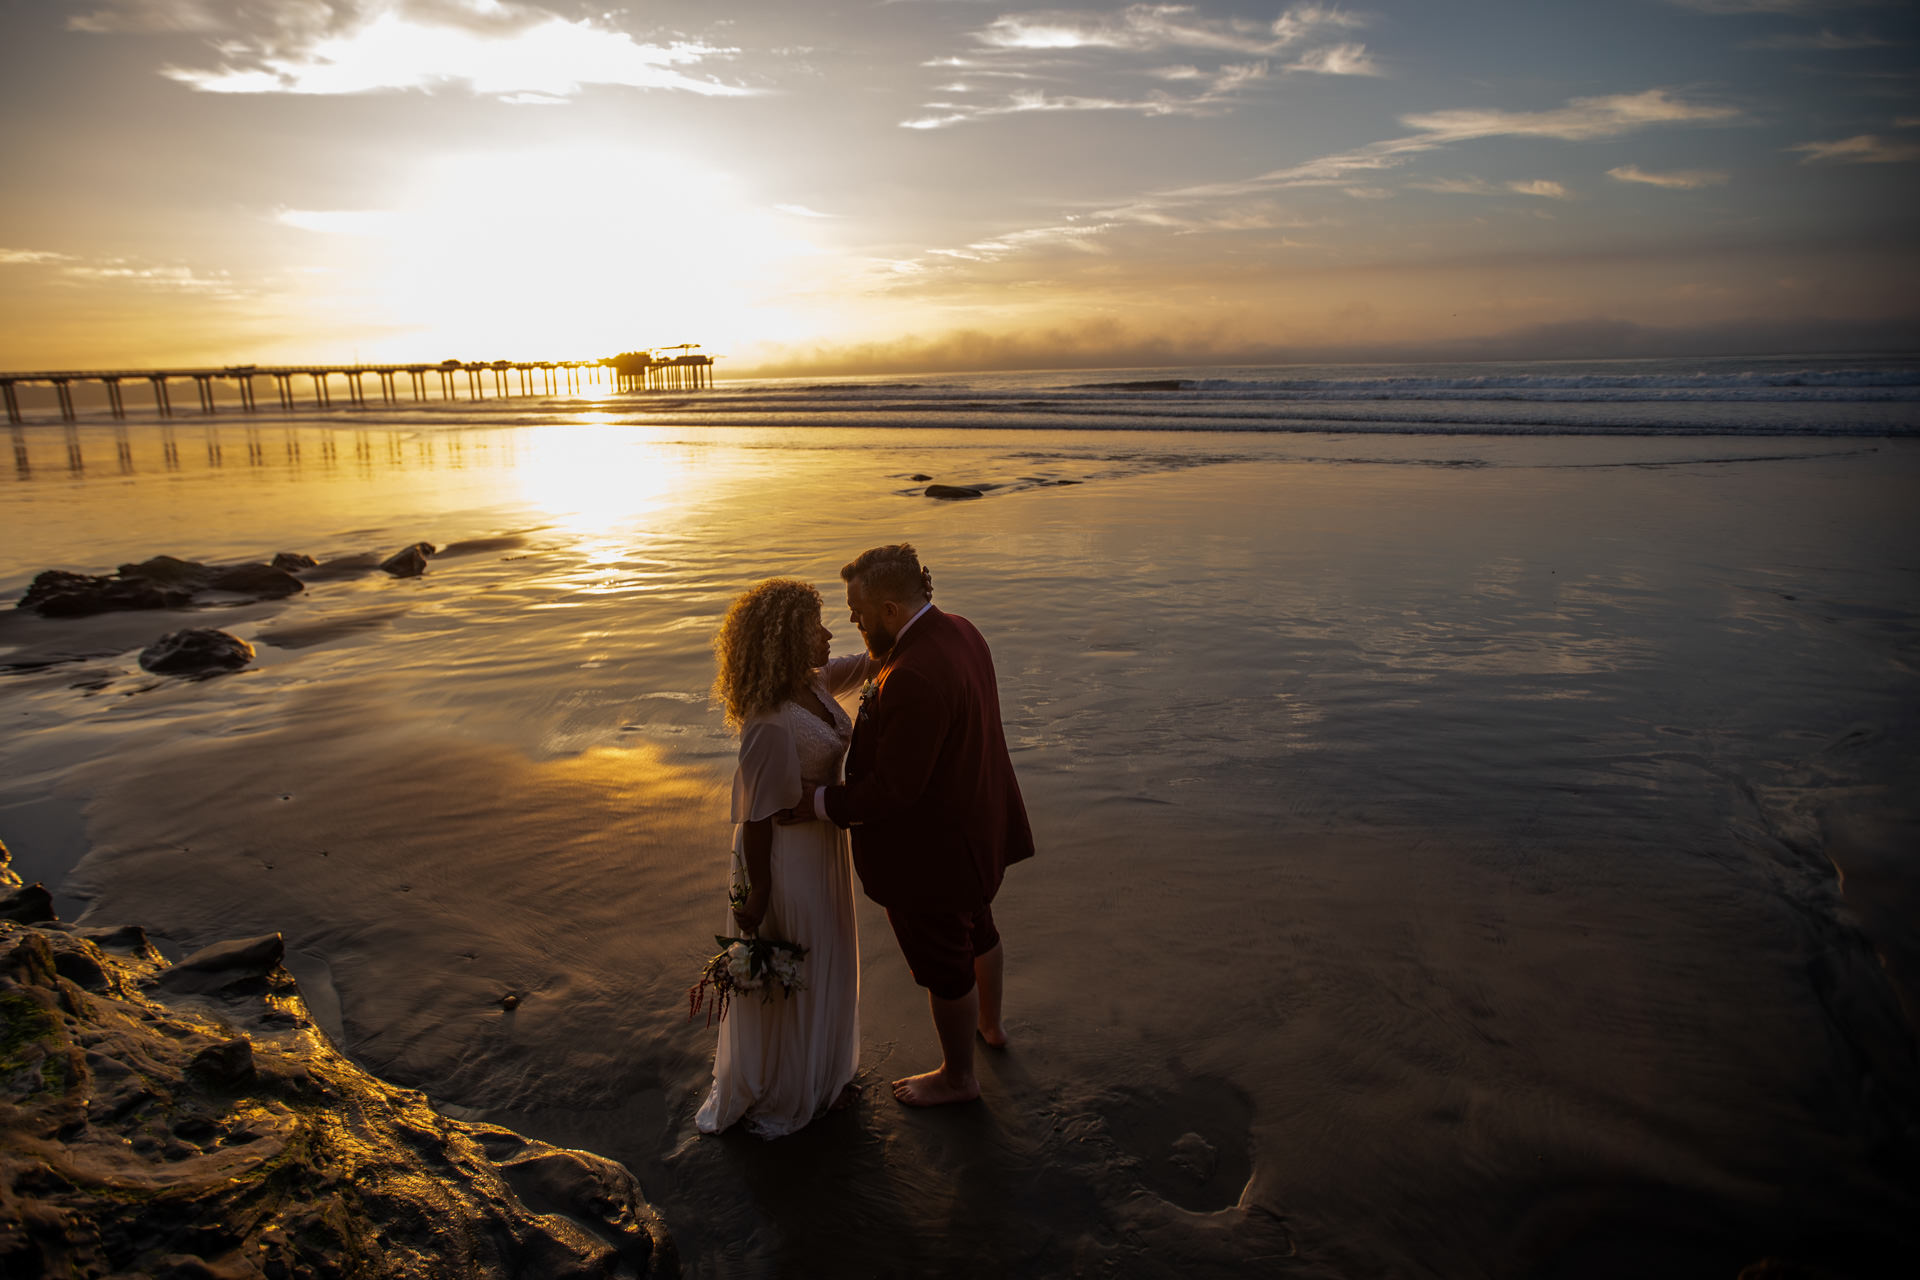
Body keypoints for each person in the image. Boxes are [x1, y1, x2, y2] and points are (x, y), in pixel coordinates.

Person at [780, 544, 1034, 1107]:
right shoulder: (961, 631)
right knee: (981, 929)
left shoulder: (913, 674)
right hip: (976, 820)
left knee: (945, 963)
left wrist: (818, 802)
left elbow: (893, 792)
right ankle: (990, 1027)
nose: (853, 621)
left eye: (858, 611)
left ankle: (958, 1078)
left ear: (890, 609)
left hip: (932, 852)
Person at [695, 578, 871, 1138]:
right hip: (786, 861)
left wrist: (911, 620)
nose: (827, 635)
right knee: (799, 961)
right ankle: (792, 1091)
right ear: (791, 639)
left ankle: (822, 1073)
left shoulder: (813, 683)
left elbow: (868, 662)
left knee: (825, 957)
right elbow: (754, 818)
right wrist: (760, 898)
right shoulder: (769, 720)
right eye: (815, 628)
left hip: (821, 841)